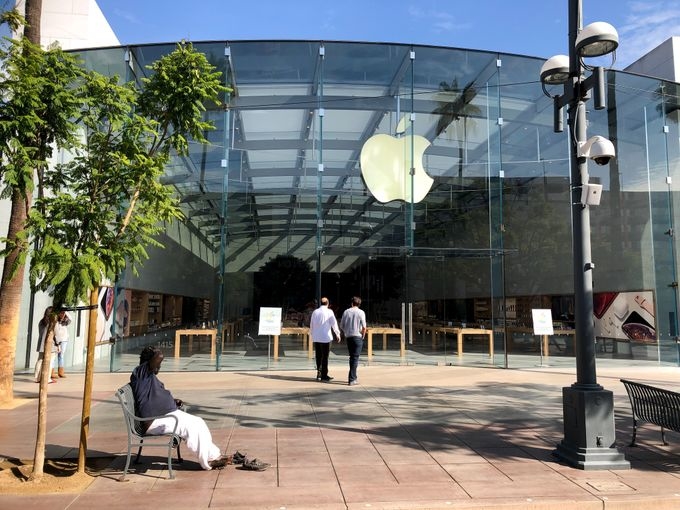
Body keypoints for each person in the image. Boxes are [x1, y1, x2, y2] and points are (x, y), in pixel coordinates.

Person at [130, 346, 233, 470]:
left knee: (198, 421)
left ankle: (214, 456)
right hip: (154, 422)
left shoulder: (149, 376)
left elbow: (152, 397)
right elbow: (157, 358)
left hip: (165, 415)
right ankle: (206, 462)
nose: (159, 367)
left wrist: (172, 401)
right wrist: (157, 351)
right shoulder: (140, 373)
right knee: (190, 427)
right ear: (149, 362)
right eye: (157, 364)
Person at [309, 297, 341, 382]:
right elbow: (334, 324)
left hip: (317, 337)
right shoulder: (329, 312)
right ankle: (324, 375)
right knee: (325, 357)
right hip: (326, 338)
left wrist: (311, 335)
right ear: (328, 303)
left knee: (318, 356)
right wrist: (337, 334)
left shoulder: (315, 312)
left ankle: (319, 373)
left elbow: (311, 325)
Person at [339, 296, 367, 386]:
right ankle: (352, 379)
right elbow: (364, 326)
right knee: (355, 358)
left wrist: (346, 331)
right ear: (359, 304)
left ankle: (353, 377)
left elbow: (341, 325)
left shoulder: (346, 312)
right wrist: (363, 335)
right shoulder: (361, 312)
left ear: (352, 303)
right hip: (357, 336)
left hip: (349, 337)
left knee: (352, 357)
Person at [34, 307, 58, 384]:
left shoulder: (41, 322)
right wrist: (58, 344)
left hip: (41, 343)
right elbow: (56, 334)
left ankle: (37, 378)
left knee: (40, 360)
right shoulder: (52, 322)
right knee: (50, 361)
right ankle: (47, 378)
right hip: (51, 344)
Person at [54, 310, 71, 378]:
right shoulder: (56, 322)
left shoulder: (65, 322)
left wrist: (65, 311)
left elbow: (70, 318)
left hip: (64, 340)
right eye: (61, 314)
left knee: (61, 356)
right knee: (54, 356)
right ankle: (51, 372)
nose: (62, 315)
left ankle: (60, 372)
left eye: (63, 314)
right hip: (56, 340)